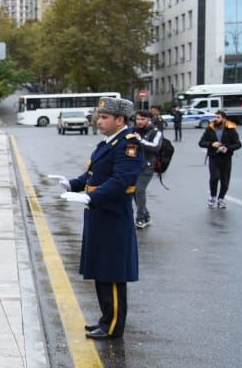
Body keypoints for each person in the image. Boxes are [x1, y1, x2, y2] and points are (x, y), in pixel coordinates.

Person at [53, 96, 143, 340]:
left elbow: (121, 180)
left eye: (104, 117)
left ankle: (113, 326)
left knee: (112, 273)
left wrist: (92, 198)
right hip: (99, 216)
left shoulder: (128, 145)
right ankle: (105, 320)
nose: (99, 121)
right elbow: (93, 174)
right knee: (101, 269)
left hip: (113, 216)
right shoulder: (108, 144)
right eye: (99, 116)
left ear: (119, 119)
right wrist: (72, 184)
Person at [199, 110, 242, 209]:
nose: (216, 119)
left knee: (225, 181)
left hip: (226, 158)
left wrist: (227, 148)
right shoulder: (210, 128)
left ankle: (221, 199)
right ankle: (212, 197)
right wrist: (211, 144)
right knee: (214, 177)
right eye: (215, 117)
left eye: (218, 117)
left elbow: (238, 144)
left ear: (224, 118)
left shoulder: (231, 129)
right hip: (213, 157)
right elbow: (201, 142)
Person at [131, 109, 163, 229]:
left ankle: (140, 219)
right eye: (137, 119)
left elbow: (155, 147)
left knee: (139, 190)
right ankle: (147, 215)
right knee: (134, 191)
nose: (139, 121)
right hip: (134, 166)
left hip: (148, 166)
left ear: (149, 119)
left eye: (142, 119)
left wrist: (140, 140)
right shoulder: (133, 130)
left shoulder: (155, 132)